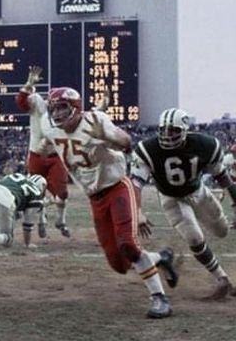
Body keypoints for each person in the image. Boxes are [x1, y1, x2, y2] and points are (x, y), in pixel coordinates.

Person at [39, 87, 178, 319]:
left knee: (128, 245)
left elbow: (126, 142)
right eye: (54, 108)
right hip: (95, 198)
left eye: (62, 107)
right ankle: (160, 257)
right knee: (119, 264)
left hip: (117, 187)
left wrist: (107, 136)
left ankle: (159, 299)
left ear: (75, 107)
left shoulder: (95, 121)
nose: (58, 113)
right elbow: (46, 143)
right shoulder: (50, 128)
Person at [131, 108, 236, 299]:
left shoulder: (205, 145)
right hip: (172, 199)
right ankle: (222, 278)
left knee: (222, 231)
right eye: (164, 130)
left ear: (185, 130)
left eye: (174, 130)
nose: (167, 135)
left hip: (199, 193)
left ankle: (169, 257)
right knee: (195, 239)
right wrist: (137, 211)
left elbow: (223, 177)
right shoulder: (148, 149)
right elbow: (136, 184)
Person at [15, 66, 70, 239]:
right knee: (35, 191)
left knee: (61, 193)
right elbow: (22, 102)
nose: (58, 110)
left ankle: (60, 220)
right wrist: (29, 83)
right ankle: (42, 219)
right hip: (36, 155)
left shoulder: (67, 114)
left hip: (55, 156)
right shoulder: (38, 104)